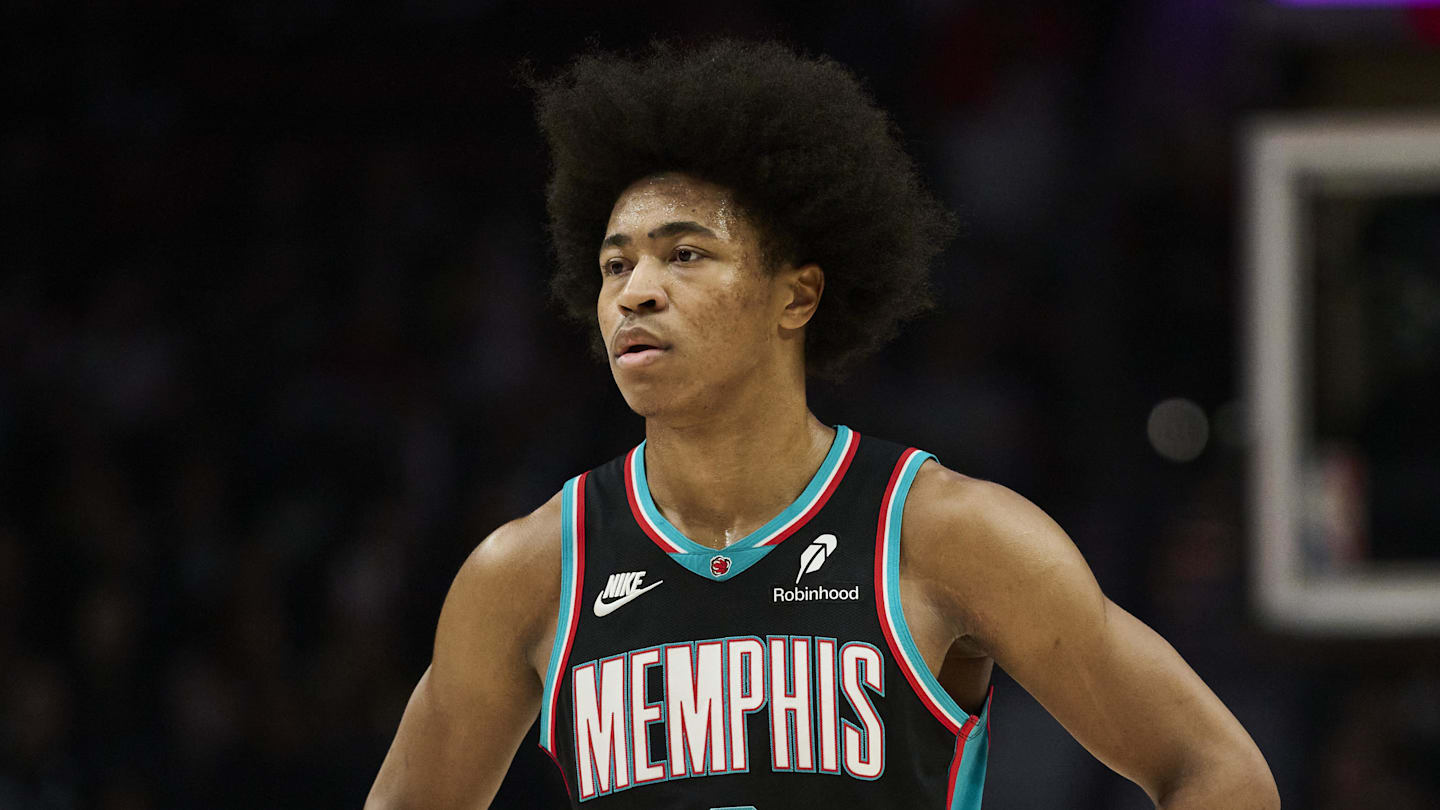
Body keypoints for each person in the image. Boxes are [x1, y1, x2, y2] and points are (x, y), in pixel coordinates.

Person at [366, 40, 1279, 809]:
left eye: (684, 253)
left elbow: (1218, 773)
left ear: (796, 294)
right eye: (614, 267)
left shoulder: (948, 534)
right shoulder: (528, 571)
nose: (636, 291)